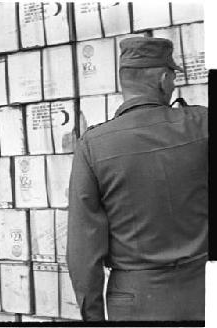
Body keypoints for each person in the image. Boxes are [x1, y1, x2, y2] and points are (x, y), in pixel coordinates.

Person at [67, 37, 207, 321]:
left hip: (134, 304)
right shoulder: (202, 124)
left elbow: (83, 251)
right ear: (164, 79)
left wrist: (93, 318)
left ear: (123, 83)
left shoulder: (94, 145)